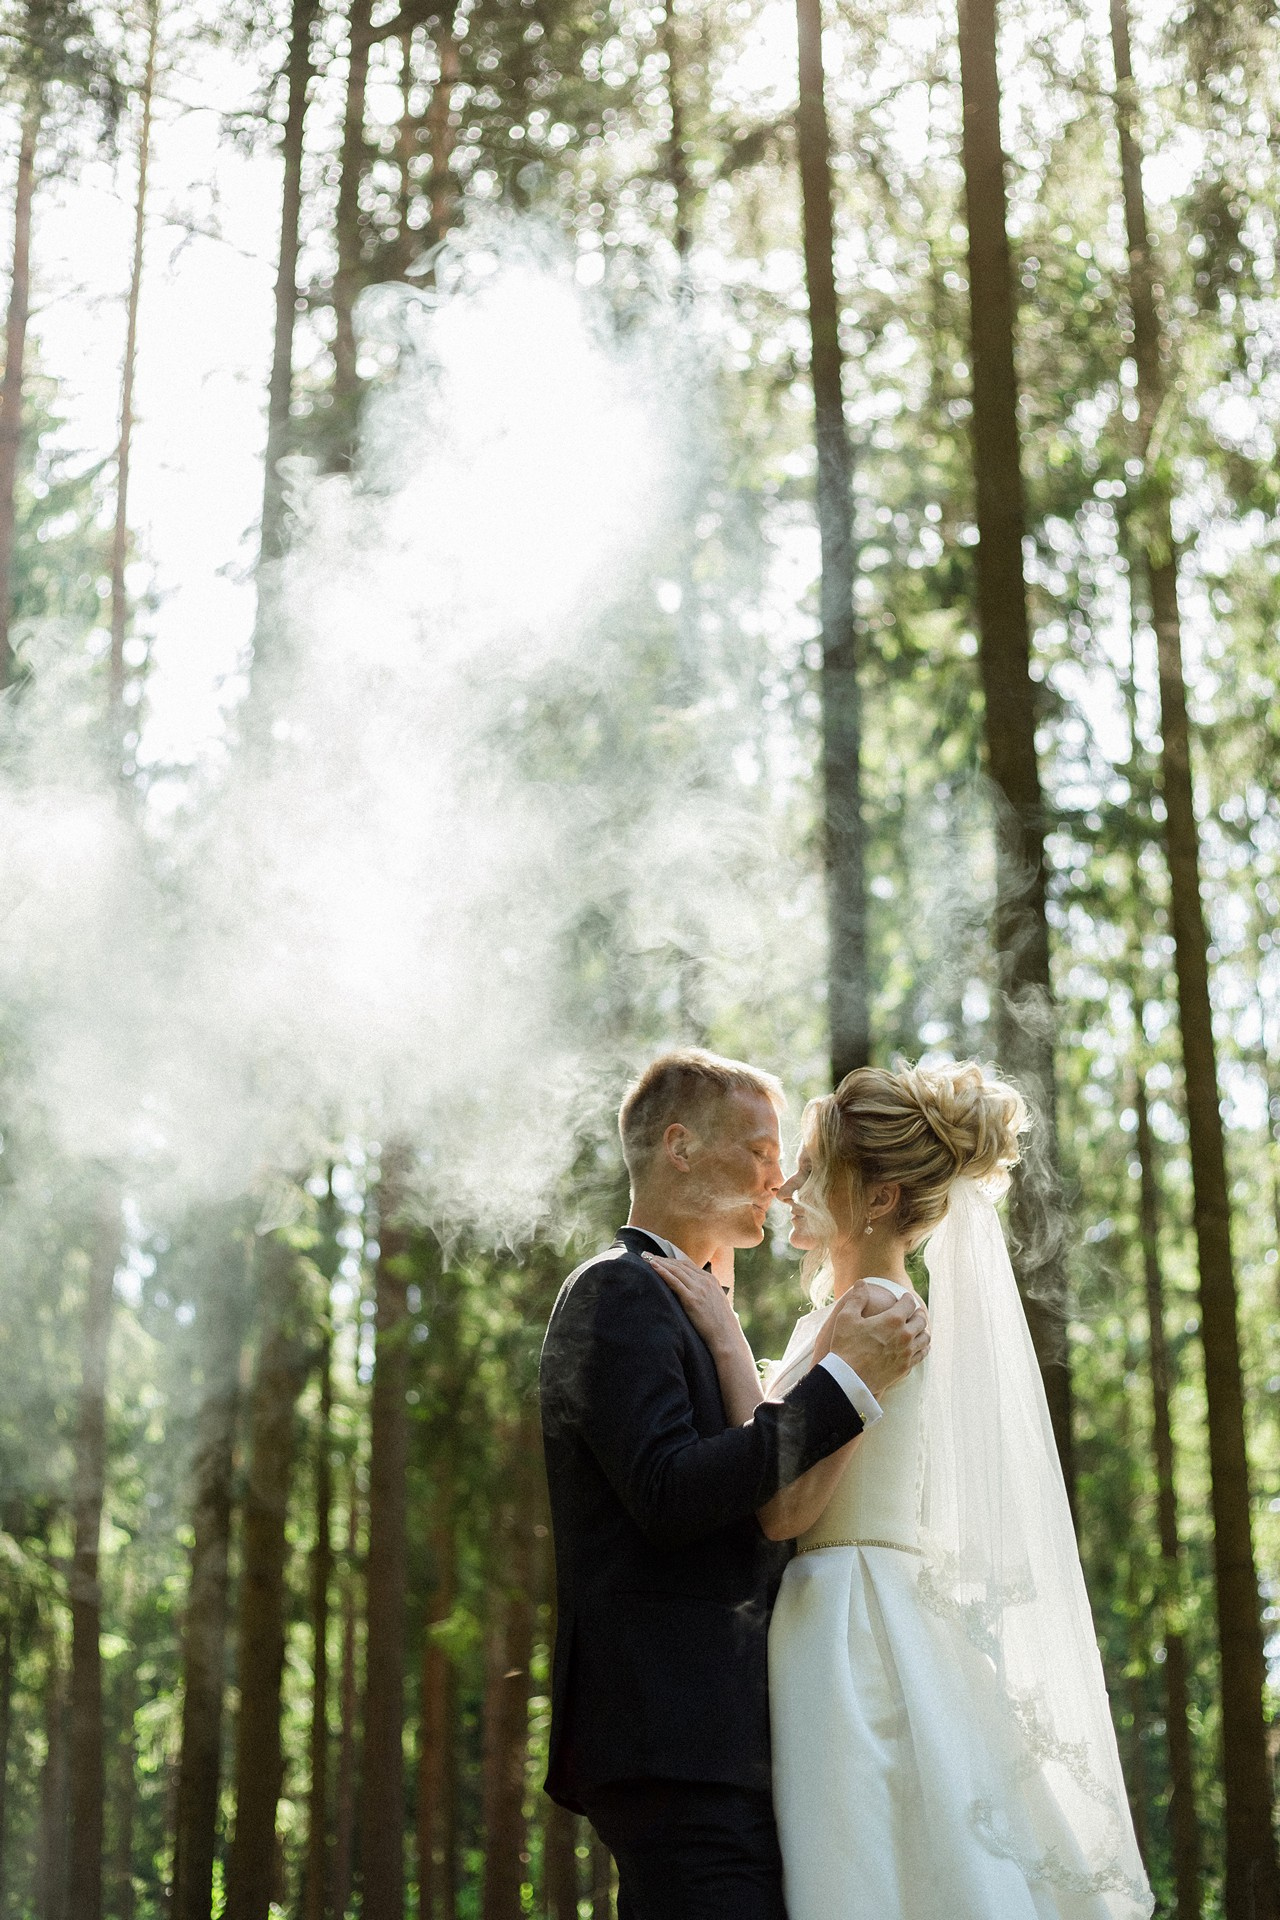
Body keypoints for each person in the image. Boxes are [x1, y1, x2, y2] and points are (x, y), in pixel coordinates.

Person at [649, 1059, 1153, 1920]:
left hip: (850, 1629)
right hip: (857, 1606)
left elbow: (786, 1507)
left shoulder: (877, 1313)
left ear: (878, 1198)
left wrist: (728, 1344)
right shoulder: (849, 1312)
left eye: (812, 1165)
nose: (788, 1183)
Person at [539, 1047, 931, 1920]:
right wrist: (845, 1386)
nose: (779, 1175)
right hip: (674, 1740)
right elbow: (671, 1491)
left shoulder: (690, 1304)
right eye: (758, 1152)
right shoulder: (619, 1291)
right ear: (678, 1147)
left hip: (736, 1742)